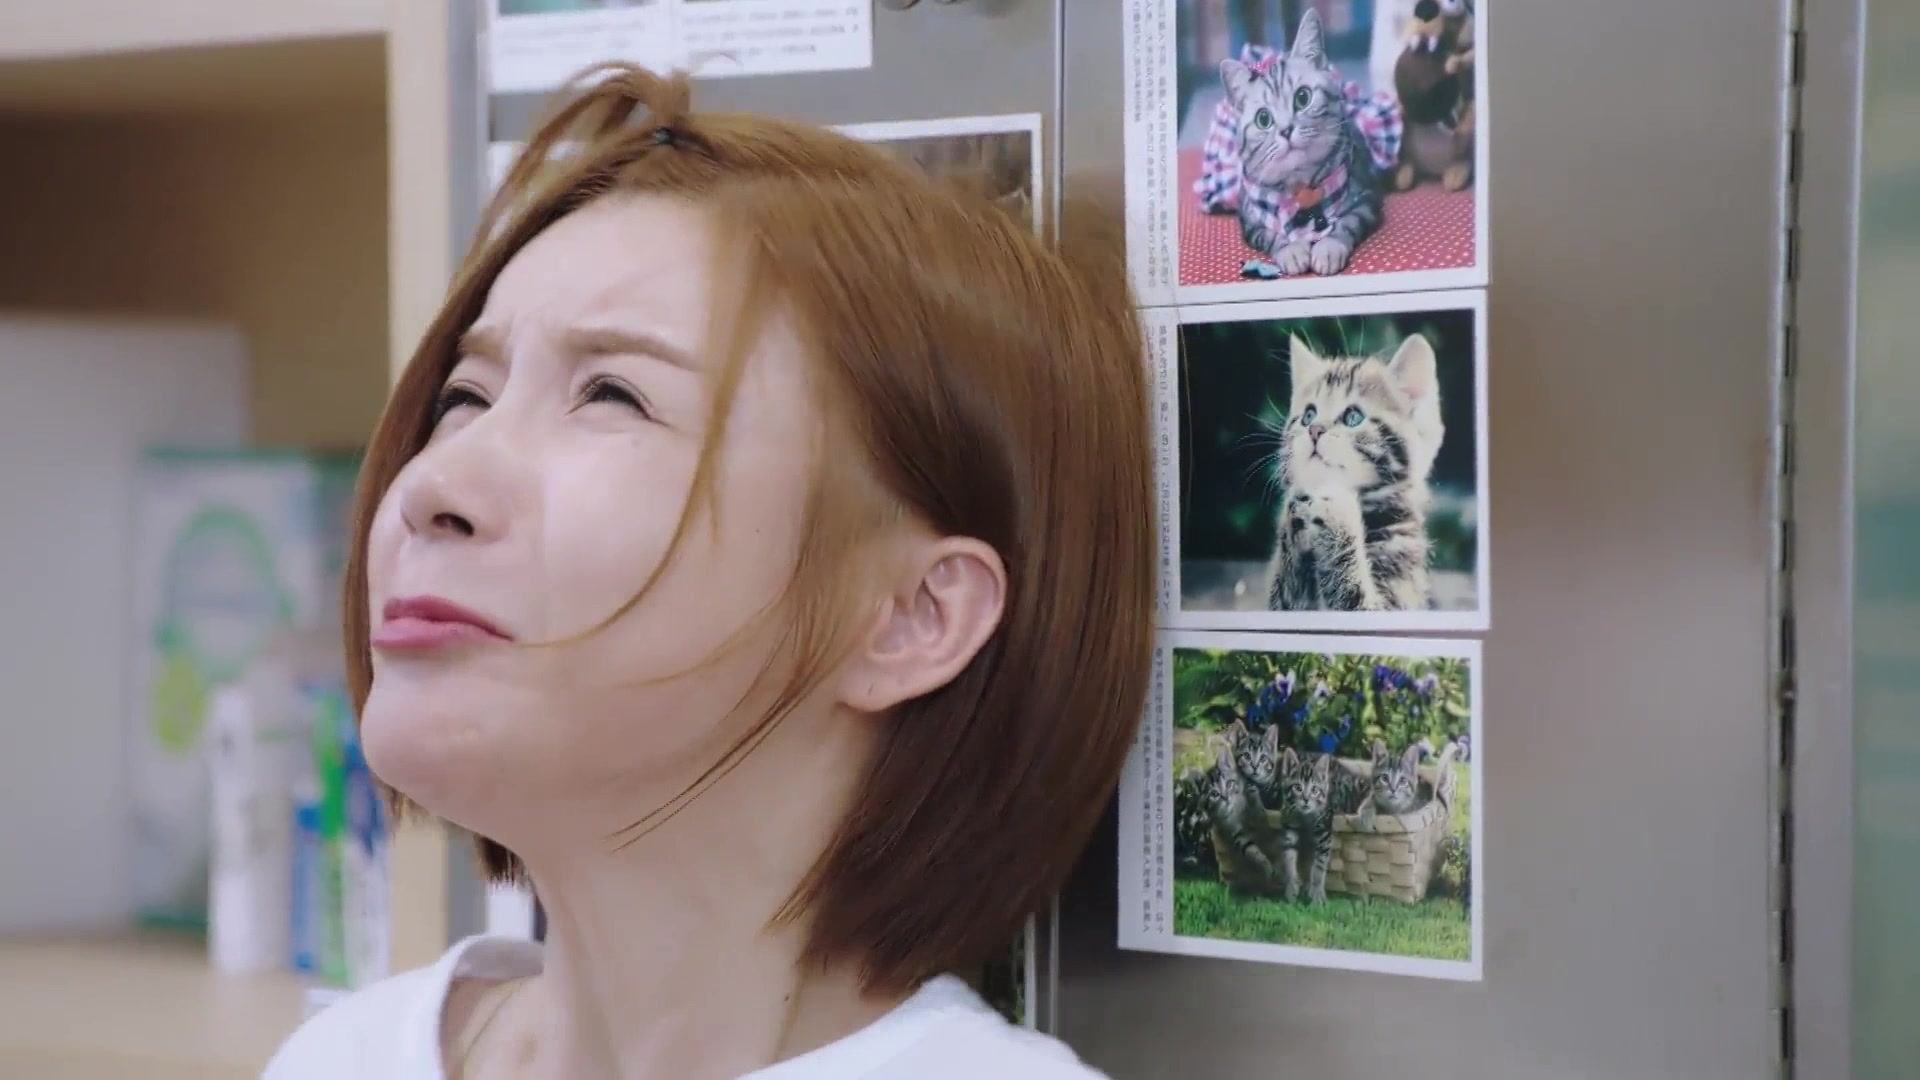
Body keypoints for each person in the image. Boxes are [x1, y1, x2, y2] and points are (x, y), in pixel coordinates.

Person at [264, 63, 1153, 1080]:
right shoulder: (343, 1060)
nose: (431, 483)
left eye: (612, 396)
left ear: (911, 615)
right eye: (464, 396)